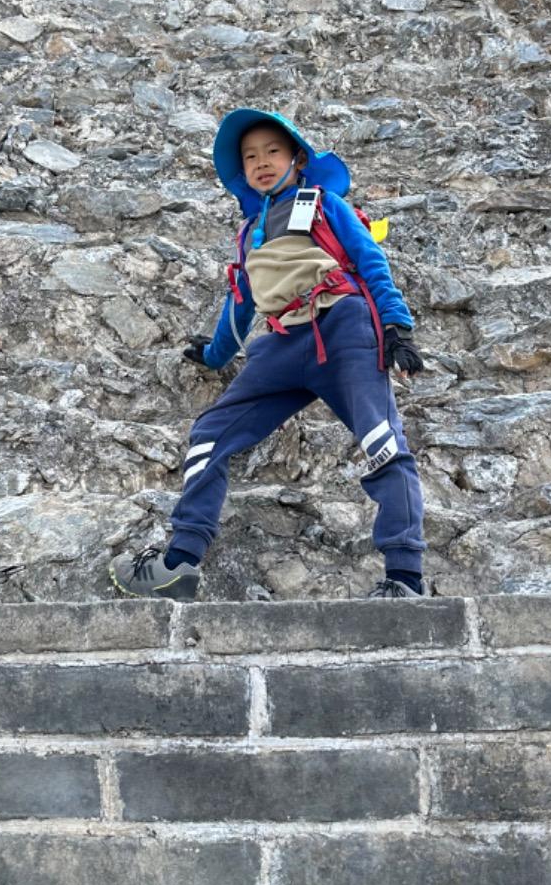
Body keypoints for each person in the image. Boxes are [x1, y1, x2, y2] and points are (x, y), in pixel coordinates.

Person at [110, 108, 428, 602]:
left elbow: (370, 258)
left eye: (272, 151)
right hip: (281, 342)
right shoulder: (248, 232)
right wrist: (215, 356)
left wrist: (396, 326)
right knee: (209, 434)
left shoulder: (323, 203)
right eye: (250, 156)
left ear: (298, 159)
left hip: (342, 327)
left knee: (381, 439)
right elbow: (241, 302)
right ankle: (179, 563)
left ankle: (405, 578)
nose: (260, 162)